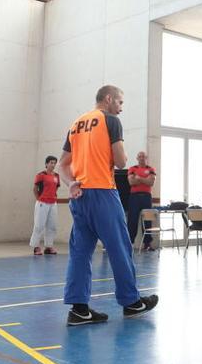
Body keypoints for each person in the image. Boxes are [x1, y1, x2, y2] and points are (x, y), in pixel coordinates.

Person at [58, 85, 157, 325]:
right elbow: (122, 162)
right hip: (103, 191)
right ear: (109, 99)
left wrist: (70, 183)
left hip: (80, 194)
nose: (121, 108)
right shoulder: (110, 120)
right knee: (120, 247)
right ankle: (131, 302)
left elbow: (63, 164)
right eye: (120, 102)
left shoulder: (76, 123)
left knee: (80, 252)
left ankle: (79, 309)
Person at [127, 151, 157, 251]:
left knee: (147, 220)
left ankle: (147, 244)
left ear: (146, 158)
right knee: (132, 220)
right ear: (137, 158)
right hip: (134, 197)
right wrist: (145, 179)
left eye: (143, 156)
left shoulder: (151, 169)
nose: (141, 158)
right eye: (139, 156)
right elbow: (131, 182)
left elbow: (151, 182)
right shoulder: (132, 169)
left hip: (147, 197)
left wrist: (139, 178)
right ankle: (129, 243)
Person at [31, 156, 61, 256]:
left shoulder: (57, 176)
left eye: (54, 163)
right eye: (51, 163)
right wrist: (39, 200)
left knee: (52, 226)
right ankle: (36, 247)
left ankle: (48, 247)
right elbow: (35, 189)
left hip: (53, 203)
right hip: (42, 203)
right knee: (39, 225)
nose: (53, 165)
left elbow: (55, 188)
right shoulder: (41, 175)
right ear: (46, 164)